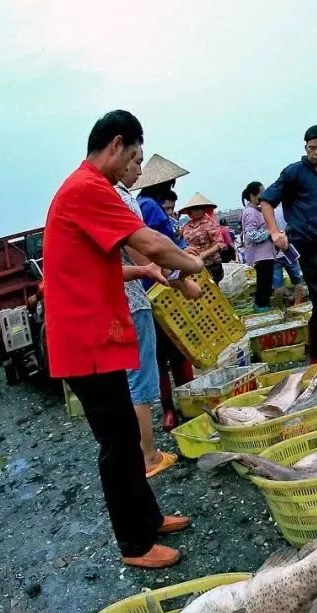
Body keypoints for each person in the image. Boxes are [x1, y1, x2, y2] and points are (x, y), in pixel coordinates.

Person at [42, 109, 204, 569]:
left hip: (94, 333)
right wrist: (189, 265)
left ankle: (148, 519)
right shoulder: (88, 188)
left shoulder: (85, 189)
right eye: (133, 156)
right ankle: (134, 545)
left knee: (127, 435)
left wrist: (163, 268)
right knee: (116, 442)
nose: (134, 167)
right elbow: (149, 241)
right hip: (85, 339)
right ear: (116, 145)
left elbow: (118, 260)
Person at [116, 147, 200, 478]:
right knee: (143, 376)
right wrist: (182, 278)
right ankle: (148, 455)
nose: (138, 170)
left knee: (136, 374)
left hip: (124, 296)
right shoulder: (129, 200)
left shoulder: (122, 198)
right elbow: (147, 251)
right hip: (136, 298)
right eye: (135, 163)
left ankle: (145, 448)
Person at [261, 124, 317, 363]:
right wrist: (274, 232)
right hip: (308, 246)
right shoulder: (294, 172)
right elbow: (267, 201)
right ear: (306, 147)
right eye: (312, 147)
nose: (316, 152)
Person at [135, 155, 195, 431]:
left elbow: (171, 242)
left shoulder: (153, 206)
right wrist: (180, 275)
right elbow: (154, 247)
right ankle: (171, 408)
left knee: (175, 350)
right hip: (159, 287)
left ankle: (182, 404)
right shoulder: (148, 207)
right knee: (167, 352)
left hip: (165, 283)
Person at [241, 181, 276, 311]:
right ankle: (262, 309)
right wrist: (270, 232)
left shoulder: (258, 210)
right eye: (262, 193)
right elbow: (251, 234)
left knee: (266, 284)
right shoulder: (250, 212)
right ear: (252, 195)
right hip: (260, 255)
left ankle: (263, 307)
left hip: (266, 254)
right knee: (263, 285)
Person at [179, 193, 225, 284]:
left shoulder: (210, 223)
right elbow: (180, 240)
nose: (196, 211)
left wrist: (203, 255)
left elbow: (220, 243)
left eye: (199, 208)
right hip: (193, 264)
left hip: (211, 264)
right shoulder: (187, 226)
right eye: (193, 209)